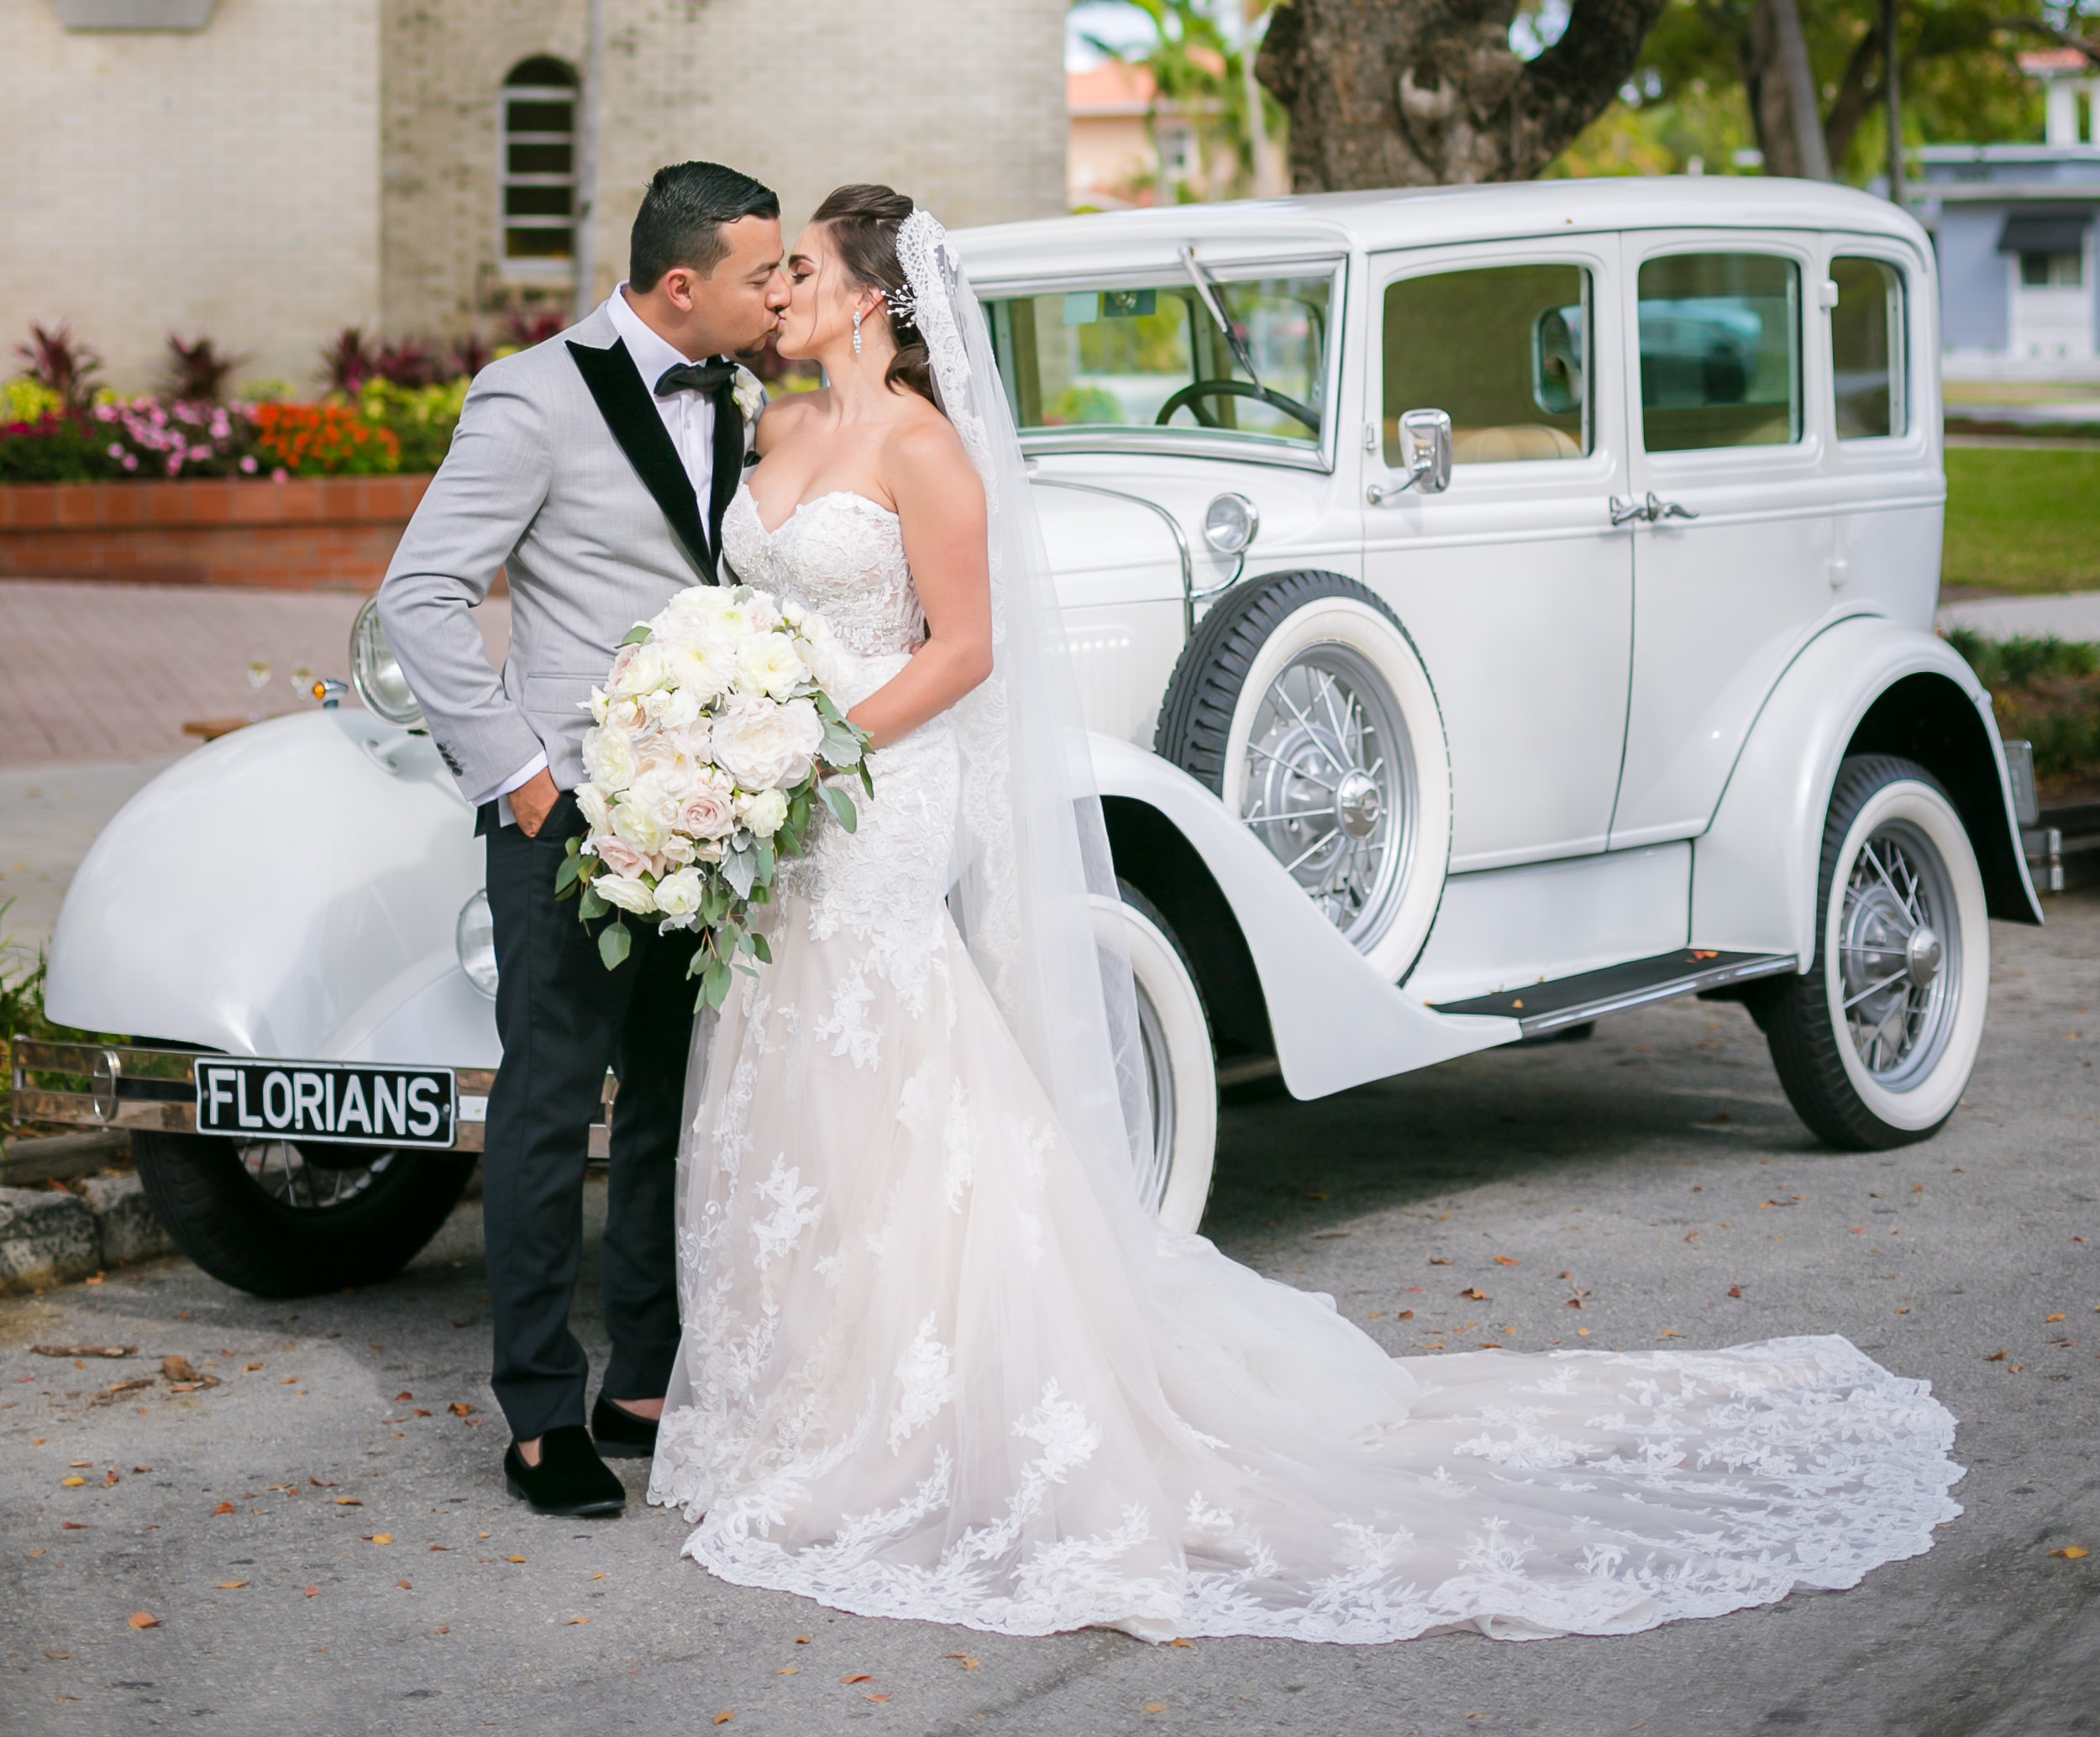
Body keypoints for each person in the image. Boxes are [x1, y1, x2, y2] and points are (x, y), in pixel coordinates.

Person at [649, 183, 1961, 1644]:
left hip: (872, 786)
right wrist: (724, 740)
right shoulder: (775, 429)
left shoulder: (928, 449)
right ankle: (808, 1392)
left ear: (878, 297)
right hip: (792, 805)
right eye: (776, 275)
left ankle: (937, 1392)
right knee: (802, 1090)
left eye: (806, 270)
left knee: (902, 1073)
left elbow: (968, 647)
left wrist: (823, 748)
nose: (778, 292)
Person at [381, 160, 789, 1521]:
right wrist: (524, 778)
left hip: (709, 814)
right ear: (684, 283)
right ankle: (542, 1411)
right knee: (552, 1105)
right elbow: (422, 596)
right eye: (758, 272)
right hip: (565, 816)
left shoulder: (747, 399)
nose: (778, 291)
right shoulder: (532, 395)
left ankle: (647, 1377)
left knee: (678, 1101)